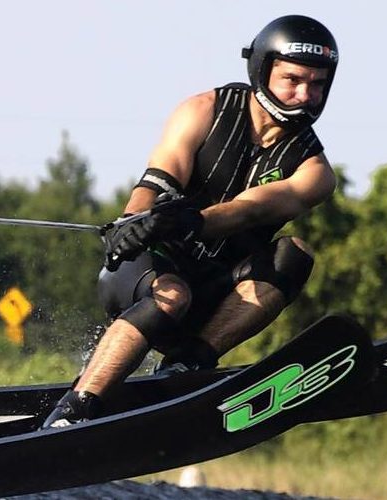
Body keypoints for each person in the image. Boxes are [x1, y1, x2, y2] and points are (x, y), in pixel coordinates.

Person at [43, 14, 340, 428]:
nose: (305, 95)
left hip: (213, 296)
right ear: (261, 70)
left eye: (317, 83)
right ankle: (73, 410)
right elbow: (157, 179)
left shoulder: (315, 171)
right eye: (293, 80)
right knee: (172, 296)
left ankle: (187, 363)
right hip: (145, 272)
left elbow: (252, 208)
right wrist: (132, 222)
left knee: (294, 254)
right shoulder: (204, 110)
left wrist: (191, 221)